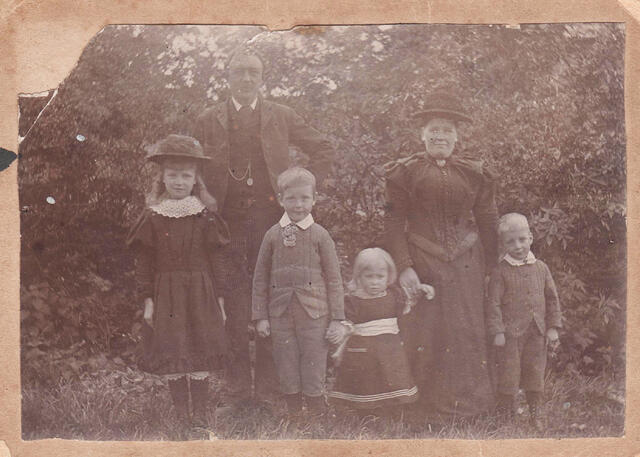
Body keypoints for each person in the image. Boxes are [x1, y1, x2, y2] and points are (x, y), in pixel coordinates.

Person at [193, 48, 335, 401]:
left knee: (276, 300)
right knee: (235, 302)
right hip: (226, 224)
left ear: (261, 78)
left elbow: (324, 148)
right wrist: (204, 193)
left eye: (252, 73)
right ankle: (239, 389)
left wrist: (303, 186)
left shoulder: (280, 115)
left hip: (273, 223)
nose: (245, 79)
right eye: (238, 71)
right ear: (227, 77)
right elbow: (190, 162)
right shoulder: (209, 118)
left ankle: (274, 390)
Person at [384, 92, 499, 419]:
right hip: (423, 263)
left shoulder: (475, 173)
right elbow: (393, 223)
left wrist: (493, 265)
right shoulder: (404, 173)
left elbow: (489, 220)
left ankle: (470, 409)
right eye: (434, 128)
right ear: (422, 134)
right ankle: (423, 411)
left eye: (447, 129)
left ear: (457, 136)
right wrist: (404, 267)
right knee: (426, 332)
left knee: (466, 330)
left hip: (467, 265)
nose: (440, 135)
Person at [127, 134, 229, 432]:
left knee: (199, 349)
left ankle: (199, 417)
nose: (179, 181)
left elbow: (217, 260)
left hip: (201, 292)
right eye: (173, 175)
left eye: (186, 175)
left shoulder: (206, 216)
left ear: (196, 179)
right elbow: (144, 263)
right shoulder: (153, 217)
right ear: (162, 178)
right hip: (167, 295)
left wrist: (220, 300)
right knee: (173, 350)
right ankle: (182, 418)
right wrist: (148, 300)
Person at [251, 167, 345, 414]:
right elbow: (260, 278)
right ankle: (294, 412)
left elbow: (334, 279)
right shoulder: (272, 236)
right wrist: (260, 316)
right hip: (280, 314)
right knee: (286, 361)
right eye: (291, 198)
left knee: (314, 361)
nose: (298, 204)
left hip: (315, 314)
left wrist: (337, 319)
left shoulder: (321, 236)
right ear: (281, 200)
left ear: (314, 199)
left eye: (305, 198)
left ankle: (315, 410)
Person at [327, 248, 434, 413]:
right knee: (367, 380)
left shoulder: (394, 295)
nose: (374, 282)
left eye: (380, 277)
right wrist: (342, 329)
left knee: (391, 376)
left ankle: (391, 409)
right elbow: (347, 320)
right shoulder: (354, 300)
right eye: (369, 277)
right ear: (359, 277)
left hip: (390, 348)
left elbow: (408, 303)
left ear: (389, 277)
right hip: (363, 348)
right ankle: (365, 410)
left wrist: (421, 290)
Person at [486, 213, 562, 430]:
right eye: (510, 241)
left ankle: (536, 414)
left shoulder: (541, 268)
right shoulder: (500, 272)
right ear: (503, 244)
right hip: (510, 335)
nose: (517, 246)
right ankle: (505, 416)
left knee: (535, 373)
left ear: (530, 237)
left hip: (536, 332)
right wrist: (498, 331)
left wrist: (553, 327)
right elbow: (493, 304)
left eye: (521, 239)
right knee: (509, 374)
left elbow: (552, 298)